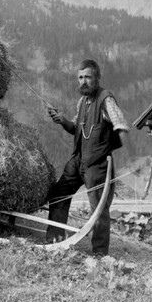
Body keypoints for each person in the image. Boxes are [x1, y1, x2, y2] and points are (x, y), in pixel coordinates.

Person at [45, 59, 130, 256]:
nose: (83, 82)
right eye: (80, 77)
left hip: (98, 165)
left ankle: (99, 254)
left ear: (97, 78)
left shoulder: (106, 100)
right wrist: (61, 121)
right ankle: (55, 240)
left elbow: (121, 125)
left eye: (88, 77)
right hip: (77, 161)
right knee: (59, 195)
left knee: (98, 210)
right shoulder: (82, 102)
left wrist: (127, 158)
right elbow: (76, 128)